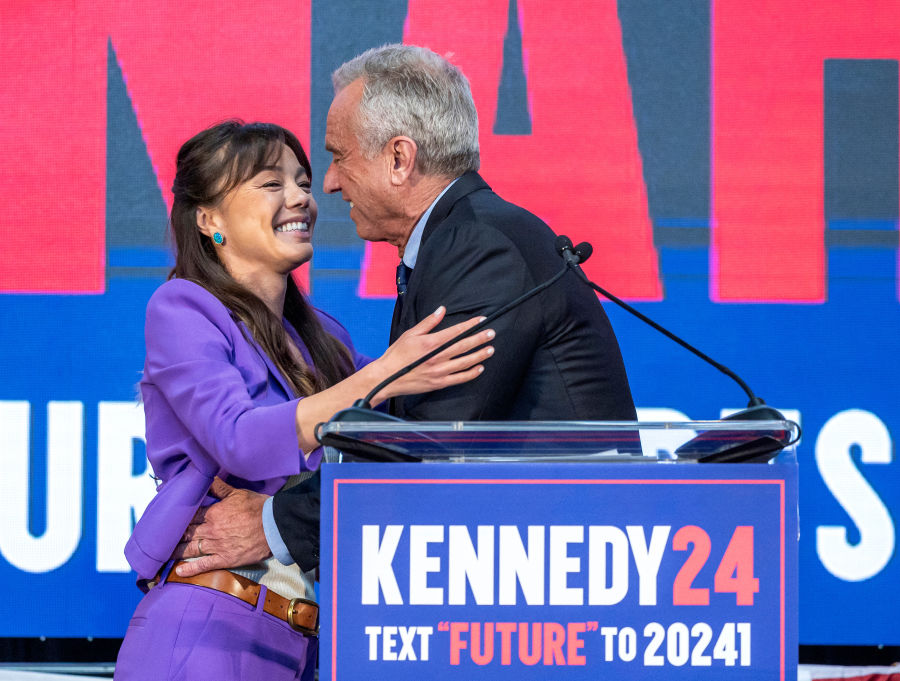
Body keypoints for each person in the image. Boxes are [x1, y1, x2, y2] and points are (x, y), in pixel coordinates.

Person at [171, 44, 637, 580]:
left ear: (398, 159)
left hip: (559, 563)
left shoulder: (476, 246)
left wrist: (272, 524)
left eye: (339, 157)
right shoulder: (459, 238)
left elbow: (428, 441)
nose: (329, 183)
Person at [113, 120, 494, 680]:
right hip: (209, 627)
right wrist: (387, 373)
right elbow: (238, 439)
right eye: (272, 184)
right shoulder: (182, 309)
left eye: (303, 182)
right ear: (209, 219)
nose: (300, 199)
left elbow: (391, 440)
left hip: (312, 645)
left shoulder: (325, 337)